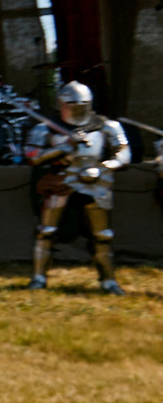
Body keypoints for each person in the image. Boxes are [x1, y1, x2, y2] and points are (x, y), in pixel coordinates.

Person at [25, 81, 130, 294]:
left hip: (95, 181)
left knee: (102, 234)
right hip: (60, 180)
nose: (76, 106)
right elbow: (32, 156)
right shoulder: (45, 127)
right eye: (71, 102)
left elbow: (123, 153)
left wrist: (104, 168)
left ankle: (108, 280)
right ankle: (38, 278)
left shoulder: (106, 126)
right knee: (46, 231)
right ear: (61, 103)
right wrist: (64, 147)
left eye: (81, 102)